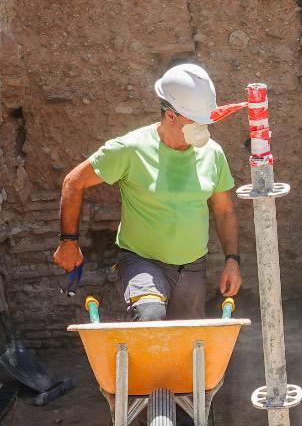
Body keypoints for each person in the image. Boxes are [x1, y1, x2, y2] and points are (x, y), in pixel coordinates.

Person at [52, 62, 242, 320]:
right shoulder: (130, 149)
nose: (203, 127)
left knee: (186, 347)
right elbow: (73, 182)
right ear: (170, 115)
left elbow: (224, 212)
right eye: (196, 120)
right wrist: (68, 242)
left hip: (192, 269)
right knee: (150, 314)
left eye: (206, 120)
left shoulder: (213, 153)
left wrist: (232, 259)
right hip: (142, 262)